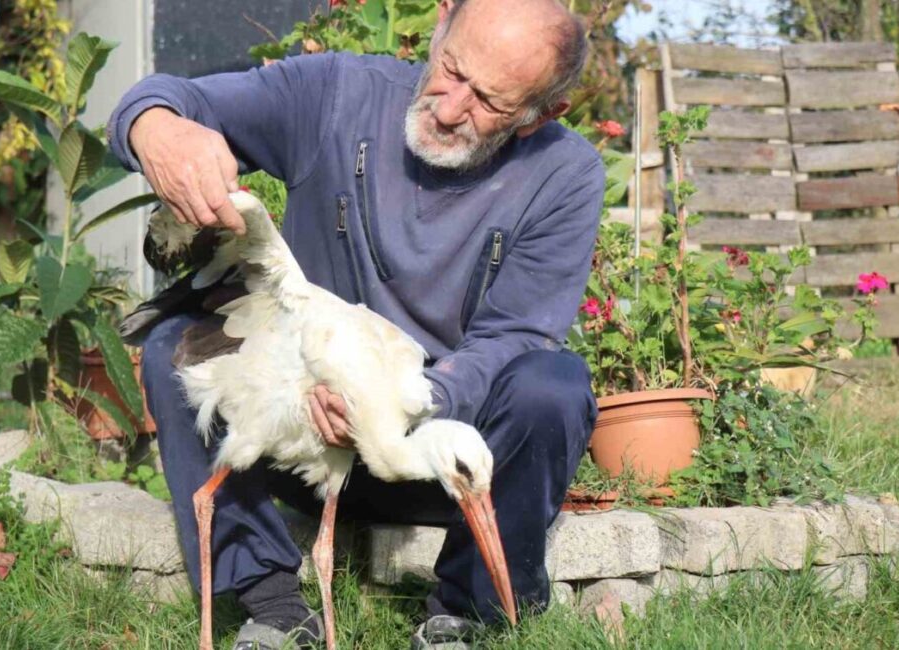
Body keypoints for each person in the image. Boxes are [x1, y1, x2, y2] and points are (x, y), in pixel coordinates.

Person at [108, 0, 603, 647]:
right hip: (298, 440)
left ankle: (466, 615)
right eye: (452, 70)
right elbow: (166, 100)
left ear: (542, 115)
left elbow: (514, 336)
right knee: (177, 346)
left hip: (432, 458)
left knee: (552, 387)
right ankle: (272, 608)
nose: (450, 108)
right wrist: (156, 129)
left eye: (490, 102)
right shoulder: (336, 95)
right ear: (441, 22)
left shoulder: (565, 176)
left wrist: (388, 403)